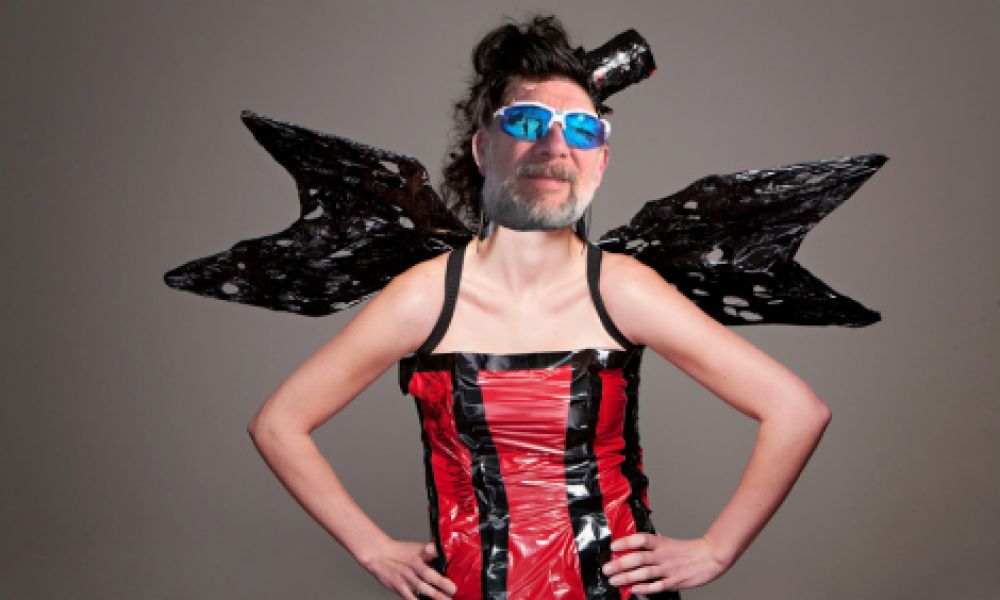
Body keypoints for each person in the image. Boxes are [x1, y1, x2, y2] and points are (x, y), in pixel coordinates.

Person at [247, 15, 831, 600]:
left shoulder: (623, 290)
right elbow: (278, 424)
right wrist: (373, 549)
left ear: (600, 160)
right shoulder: (425, 297)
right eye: (526, 123)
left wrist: (716, 549)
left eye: (581, 129)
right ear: (483, 148)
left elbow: (795, 410)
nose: (555, 146)